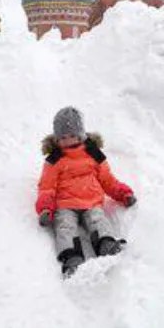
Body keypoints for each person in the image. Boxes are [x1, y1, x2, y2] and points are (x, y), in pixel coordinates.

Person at [34, 107, 137, 277]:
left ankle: (106, 244)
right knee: (65, 227)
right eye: (62, 138)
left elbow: (107, 180)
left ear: (80, 134)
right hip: (65, 205)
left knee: (98, 220)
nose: (67, 141)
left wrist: (123, 194)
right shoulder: (54, 160)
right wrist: (45, 208)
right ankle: (71, 256)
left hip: (91, 202)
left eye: (71, 136)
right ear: (56, 139)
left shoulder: (93, 154)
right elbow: (46, 187)